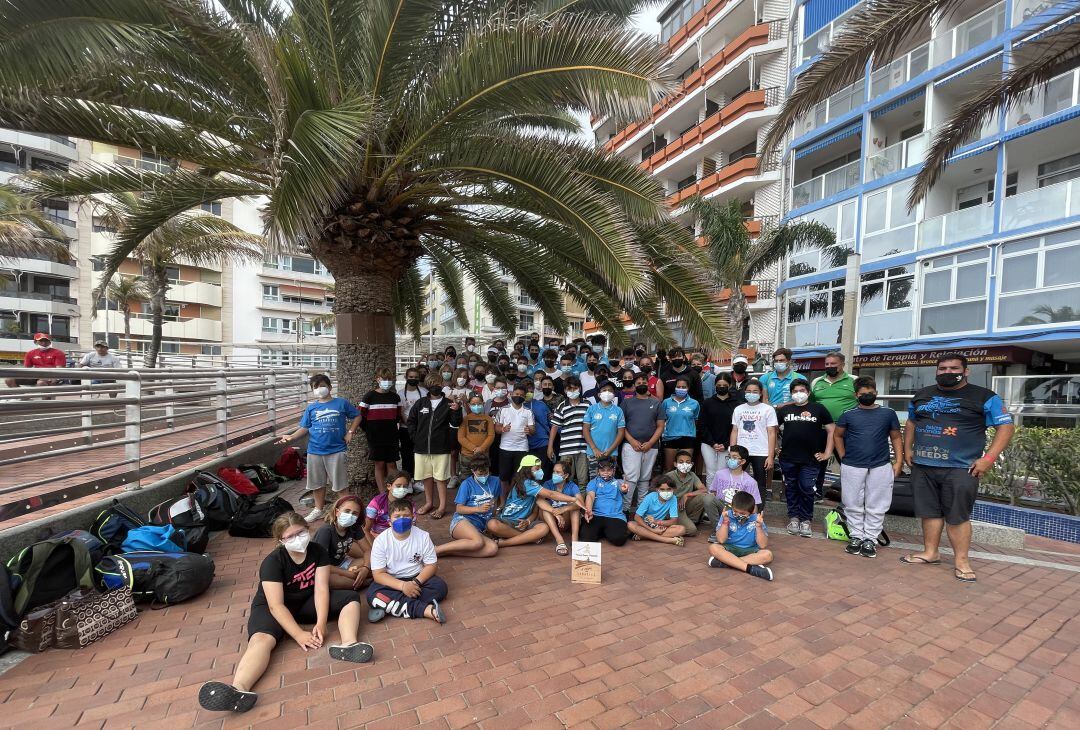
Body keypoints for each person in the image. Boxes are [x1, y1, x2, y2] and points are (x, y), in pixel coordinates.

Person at [198, 512, 374, 713]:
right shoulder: (272, 562)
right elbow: (276, 606)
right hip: (271, 607)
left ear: (308, 530)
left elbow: (321, 589)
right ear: (280, 540)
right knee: (262, 639)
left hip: (304, 602)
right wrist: (298, 634)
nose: (297, 539)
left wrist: (321, 624)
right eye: (290, 536)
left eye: (300, 532)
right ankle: (238, 689)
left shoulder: (317, 551)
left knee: (350, 598)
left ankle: (348, 645)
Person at [902, 354, 1014, 582]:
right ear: (936, 371)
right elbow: (912, 423)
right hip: (924, 465)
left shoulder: (985, 397)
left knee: (958, 516)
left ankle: (962, 562)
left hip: (961, 468)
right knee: (929, 512)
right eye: (942, 368)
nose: (947, 372)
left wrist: (988, 459)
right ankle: (930, 553)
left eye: (953, 368)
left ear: (965, 371)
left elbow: (1006, 427)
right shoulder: (922, 395)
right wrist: (907, 449)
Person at [834, 376, 902, 558]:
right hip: (852, 465)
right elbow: (837, 435)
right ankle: (856, 536)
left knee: (878, 504)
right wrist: (842, 456)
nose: (867, 396)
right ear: (856, 395)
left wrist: (899, 461)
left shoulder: (888, 413)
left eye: (870, 393)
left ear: (876, 393)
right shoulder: (848, 414)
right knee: (852, 502)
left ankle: (870, 539)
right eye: (863, 394)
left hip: (880, 464)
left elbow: (896, 437)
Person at [278, 374, 361, 522]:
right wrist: (291, 437)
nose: (319, 389)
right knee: (317, 483)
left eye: (322, 385)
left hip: (336, 451)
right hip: (315, 451)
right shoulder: (311, 408)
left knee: (340, 484)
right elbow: (304, 428)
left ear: (329, 387)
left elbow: (357, 416)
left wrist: (350, 432)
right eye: (315, 387)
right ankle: (318, 509)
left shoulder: (341, 403)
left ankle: (346, 510)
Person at [367, 499, 448, 623]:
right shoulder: (380, 541)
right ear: (389, 521)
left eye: (406, 516)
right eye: (397, 516)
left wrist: (414, 583)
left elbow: (431, 565)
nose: (402, 519)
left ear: (413, 518)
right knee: (372, 594)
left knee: (440, 587)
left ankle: (390, 604)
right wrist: (403, 586)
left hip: (417, 578)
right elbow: (378, 575)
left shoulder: (423, 536)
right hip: (392, 581)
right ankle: (425, 610)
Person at [776, 380, 835, 538]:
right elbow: (772, 429)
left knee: (807, 488)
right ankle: (794, 518)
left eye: (802, 390)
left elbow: (831, 430)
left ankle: (806, 520)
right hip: (788, 457)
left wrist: (827, 452)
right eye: (795, 391)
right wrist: (776, 447)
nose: (798, 393)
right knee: (791, 488)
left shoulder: (818, 408)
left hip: (811, 459)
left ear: (808, 392)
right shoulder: (785, 410)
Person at [407, 375, 463, 519]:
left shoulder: (449, 403)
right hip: (421, 448)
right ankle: (429, 503)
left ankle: (442, 506)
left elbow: (456, 423)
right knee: (426, 476)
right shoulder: (420, 403)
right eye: (431, 384)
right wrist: (415, 437)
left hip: (441, 448)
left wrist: (457, 410)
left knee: (441, 478)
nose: (435, 386)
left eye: (437, 383)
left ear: (441, 384)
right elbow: (411, 421)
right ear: (427, 385)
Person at [810, 351, 859, 499]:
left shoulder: (854, 380)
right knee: (818, 461)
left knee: (847, 462)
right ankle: (816, 491)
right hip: (821, 429)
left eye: (833, 364)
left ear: (842, 364)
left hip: (845, 430)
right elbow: (812, 403)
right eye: (827, 364)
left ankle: (851, 494)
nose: (829, 366)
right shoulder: (816, 382)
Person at [437, 455, 500, 558]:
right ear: (473, 471)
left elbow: (495, 502)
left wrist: (491, 523)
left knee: (492, 549)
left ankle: (448, 552)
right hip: (462, 521)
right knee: (478, 542)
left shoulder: (496, 481)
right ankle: (435, 550)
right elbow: (459, 509)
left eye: (486, 472)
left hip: (480, 527)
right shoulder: (466, 484)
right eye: (480, 473)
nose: (484, 475)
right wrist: (478, 509)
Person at [619, 373, 666, 513]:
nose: (641, 384)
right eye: (638, 382)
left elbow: (660, 426)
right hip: (630, 446)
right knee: (631, 478)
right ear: (634, 385)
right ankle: (625, 510)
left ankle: (641, 511)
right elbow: (621, 426)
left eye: (643, 381)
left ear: (648, 383)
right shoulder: (626, 402)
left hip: (650, 447)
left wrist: (650, 443)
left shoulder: (656, 403)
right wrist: (632, 441)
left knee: (645, 479)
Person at [706, 491, 773, 581]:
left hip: (750, 550)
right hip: (730, 548)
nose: (738, 515)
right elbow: (721, 540)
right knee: (713, 547)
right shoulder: (727, 515)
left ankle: (727, 562)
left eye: (742, 513)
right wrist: (725, 521)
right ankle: (751, 569)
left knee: (768, 555)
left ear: (751, 511)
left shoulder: (757, 518)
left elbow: (763, 545)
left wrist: (759, 526)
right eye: (735, 511)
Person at [729, 380, 777, 504]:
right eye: (749, 391)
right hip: (741, 451)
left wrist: (770, 456)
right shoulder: (738, 409)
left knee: (760, 483)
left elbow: (772, 433)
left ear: (761, 393)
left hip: (761, 452)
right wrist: (732, 451)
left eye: (755, 391)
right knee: (736, 480)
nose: (752, 394)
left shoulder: (768, 409)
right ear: (744, 392)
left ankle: (758, 511)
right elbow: (734, 430)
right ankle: (735, 506)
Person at [703, 444, 760, 540]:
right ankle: (719, 530)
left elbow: (754, 505)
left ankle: (736, 532)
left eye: (734, 457)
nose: (730, 459)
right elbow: (714, 493)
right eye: (729, 457)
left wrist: (753, 522)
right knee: (708, 498)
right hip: (724, 508)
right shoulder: (719, 474)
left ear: (742, 461)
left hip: (739, 511)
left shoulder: (750, 482)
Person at [314, 496, 371, 591]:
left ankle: (359, 579)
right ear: (337, 512)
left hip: (344, 564)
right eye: (347, 511)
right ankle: (364, 582)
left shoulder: (355, 527)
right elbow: (320, 564)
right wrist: (347, 574)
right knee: (328, 580)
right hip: (325, 568)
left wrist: (365, 568)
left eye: (355, 513)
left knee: (373, 563)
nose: (350, 515)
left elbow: (368, 551)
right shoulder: (326, 531)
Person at [359, 368, 402, 494]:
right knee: (379, 465)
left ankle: (394, 491)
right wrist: (368, 430)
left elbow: (398, 415)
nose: (387, 382)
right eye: (384, 379)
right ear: (378, 379)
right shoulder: (369, 396)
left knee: (392, 464)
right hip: (375, 437)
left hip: (392, 435)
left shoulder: (395, 397)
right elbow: (361, 415)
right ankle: (383, 494)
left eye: (389, 379)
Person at [700, 373, 741, 486]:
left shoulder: (736, 404)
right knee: (711, 471)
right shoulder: (707, 403)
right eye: (719, 385)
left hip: (727, 444)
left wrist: (726, 444)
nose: (721, 387)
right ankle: (710, 497)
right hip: (708, 443)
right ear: (715, 385)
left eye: (724, 385)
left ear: (730, 385)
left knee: (722, 472)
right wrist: (712, 443)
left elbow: (736, 427)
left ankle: (721, 498)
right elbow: (702, 425)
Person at [549, 377, 590, 487]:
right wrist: (550, 447)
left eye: (575, 388)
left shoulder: (587, 404)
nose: (572, 391)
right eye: (569, 389)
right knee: (565, 480)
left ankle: (581, 504)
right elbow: (554, 427)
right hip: (566, 449)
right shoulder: (562, 406)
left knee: (583, 481)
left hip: (583, 449)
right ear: (565, 391)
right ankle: (564, 503)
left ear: (580, 389)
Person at [580, 456, 630, 546]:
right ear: (598, 471)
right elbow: (590, 496)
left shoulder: (619, 483)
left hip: (615, 516)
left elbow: (624, 490)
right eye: (603, 470)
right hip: (596, 515)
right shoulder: (593, 482)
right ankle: (605, 531)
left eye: (609, 470)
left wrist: (624, 489)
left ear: (613, 470)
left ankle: (604, 531)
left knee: (619, 540)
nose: (606, 473)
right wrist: (588, 510)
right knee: (586, 538)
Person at [494, 382, 535, 491]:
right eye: (516, 394)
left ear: (525, 397)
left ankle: (512, 497)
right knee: (503, 477)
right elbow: (496, 428)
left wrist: (529, 430)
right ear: (511, 394)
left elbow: (533, 430)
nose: (518, 396)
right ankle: (504, 500)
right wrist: (502, 429)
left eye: (521, 395)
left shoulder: (528, 412)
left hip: (522, 448)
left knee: (519, 476)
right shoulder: (503, 410)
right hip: (505, 448)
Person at [537, 460, 583, 556]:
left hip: (564, 521)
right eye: (554, 472)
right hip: (550, 521)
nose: (554, 474)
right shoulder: (548, 484)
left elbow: (580, 503)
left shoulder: (572, 486)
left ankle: (575, 539)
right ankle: (560, 541)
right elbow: (539, 501)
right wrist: (555, 513)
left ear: (566, 476)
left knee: (575, 506)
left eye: (558, 472)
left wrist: (564, 509)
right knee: (545, 508)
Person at [626, 476, 686, 546]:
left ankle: (644, 536)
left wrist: (657, 522)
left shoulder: (673, 498)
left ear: (673, 489)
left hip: (659, 526)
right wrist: (652, 530)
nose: (666, 492)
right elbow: (637, 517)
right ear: (657, 489)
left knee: (682, 529)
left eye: (669, 489)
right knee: (630, 524)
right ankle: (667, 540)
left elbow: (674, 521)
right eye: (662, 489)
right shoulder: (650, 497)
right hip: (645, 525)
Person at [582, 381, 625, 476]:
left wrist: (610, 450)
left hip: (611, 453)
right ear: (599, 394)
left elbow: (621, 433)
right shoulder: (591, 409)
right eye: (604, 390)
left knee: (609, 479)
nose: (607, 392)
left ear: (614, 394)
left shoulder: (618, 410)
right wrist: (594, 449)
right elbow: (585, 430)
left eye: (610, 390)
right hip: (593, 452)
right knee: (594, 480)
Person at [364, 472, 414, 550]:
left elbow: (411, 526)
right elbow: (366, 529)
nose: (402, 489)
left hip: (401, 536)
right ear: (389, 486)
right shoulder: (376, 502)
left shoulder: (409, 504)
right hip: (378, 537)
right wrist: (373, 548)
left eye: (405, 486)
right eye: (398, 486)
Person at [660, 376, 701, 471]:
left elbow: (696, 420)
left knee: (685, 469)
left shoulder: (694, 403)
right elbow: (662, 420)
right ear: (675, 387)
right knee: (669, 469)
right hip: (669, 437)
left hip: (688, 437)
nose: (681, 389)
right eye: (678, 386)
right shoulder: (666, 402)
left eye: (683, 387)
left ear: (688, 388)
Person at [665, 450, 708, 537]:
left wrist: (687, 495)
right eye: (681, 462)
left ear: (691, 464)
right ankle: (668, 526)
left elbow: (703, 490)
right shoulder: (669, 476)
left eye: (687, 462)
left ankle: (691, 521)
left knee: (704, 496)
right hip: (674, 507)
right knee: (691, 530)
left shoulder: (692, 475)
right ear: (675, 464)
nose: (684, 464)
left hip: (685, 504)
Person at [397, 368, 427, 482]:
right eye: (411, 377)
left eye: (415, 377)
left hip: (420, 428)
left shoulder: (424, 392)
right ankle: (408, 480)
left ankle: (419, 479)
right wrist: (409, 424)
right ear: (406, 377)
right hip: (406, 429)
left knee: (419, 455)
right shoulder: (400, 393)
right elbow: (401, 411)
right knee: (406, 455)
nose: (413, 379)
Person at [458, 392, 496, 477]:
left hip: (483, 455)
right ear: (469, 404)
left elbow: (491, 436)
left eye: (479, 404)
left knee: (482, 477)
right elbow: (461, 437)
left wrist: (481, 449)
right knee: (465, 479)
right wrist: (474, 449)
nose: (476, 406)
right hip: (467, 456)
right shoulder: (465, 419)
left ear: (483, 403)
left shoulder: (488, 419)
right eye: (473, 404)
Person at [527, 386, 552, 473]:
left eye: (531, 391)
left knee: (542, 471)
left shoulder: (541, 405)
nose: (529, 393)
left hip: (542, 442)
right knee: (529, 472)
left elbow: (551, 423)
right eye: (526, 391)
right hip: (525, 445)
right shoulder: (518, 406)